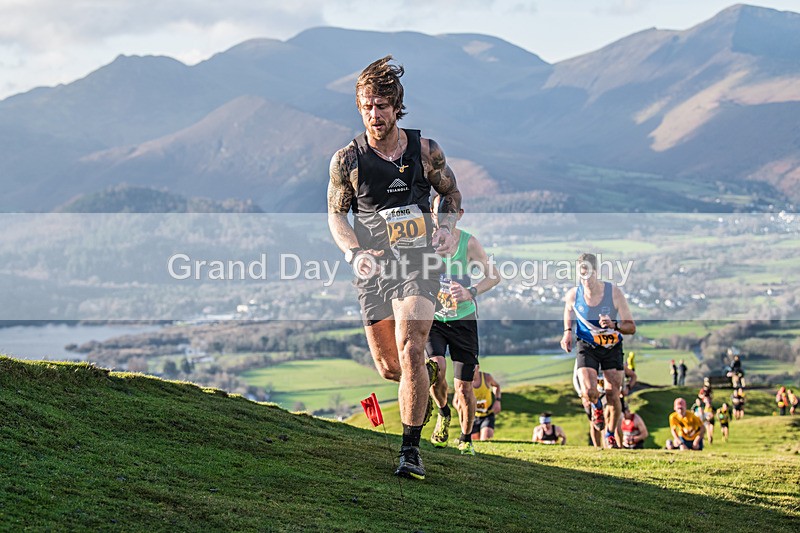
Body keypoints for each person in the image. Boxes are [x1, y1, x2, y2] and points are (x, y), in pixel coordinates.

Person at [327, 56, 461, 480]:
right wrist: (353, 252)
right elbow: (336, 215)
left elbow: (451, 194)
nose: (374, 114)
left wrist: (447, 226)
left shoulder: (425, 151)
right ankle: (427, 373)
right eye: (366, 106)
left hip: (418, 261)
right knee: (391, 367)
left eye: (381, 105)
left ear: (396, 106)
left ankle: (411, 452)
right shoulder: (347, 160)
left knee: (411, 345)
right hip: (373, 270)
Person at [427, 195, 500, 455]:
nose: (443, 219)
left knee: (463, 386)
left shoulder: (469, 243)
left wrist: (471, 291)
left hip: (464, 320)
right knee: (436, 367)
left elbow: (494, 276)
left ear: (460, 214)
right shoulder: (425, 241)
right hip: (434, 319)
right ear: (431, 214)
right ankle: (443, 412)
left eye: (449, 213)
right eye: (438, 213)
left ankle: (466, 438)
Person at [561, 252, 636, 449]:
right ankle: (596, 407)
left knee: (613, 394)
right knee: (589, 391)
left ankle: (610, 434)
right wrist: (567, 332)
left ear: (596, 272)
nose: (584, 279)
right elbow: (568, 310)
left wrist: (614, 324)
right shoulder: (573, 294)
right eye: (581, 274)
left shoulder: (614, 293)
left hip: (612, 346)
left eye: (588, 273)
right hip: (588, 346)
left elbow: (631, 327)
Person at [456, 364, 501, 444]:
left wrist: (497, 401)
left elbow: (496, 386)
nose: (472, 371)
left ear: (478, 367)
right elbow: (456, 401)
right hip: (472, 417)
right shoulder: (465, 383)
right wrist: (464, 410)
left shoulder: (486, 377)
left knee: (485, 440)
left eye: (473, 367)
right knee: (475, 442)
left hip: (487, 415)